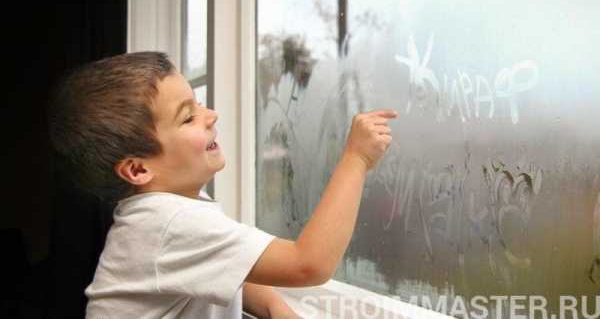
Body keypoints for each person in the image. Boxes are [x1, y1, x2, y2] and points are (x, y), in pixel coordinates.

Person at [46, 51, 397, 318]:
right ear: (137, 169)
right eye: (188, 116)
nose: (211, 115)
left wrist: (274, 307)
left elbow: (227, 265)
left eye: (197, 104)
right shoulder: (170, 222)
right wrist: (357, 159)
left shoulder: (170, 207)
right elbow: (310, 264)